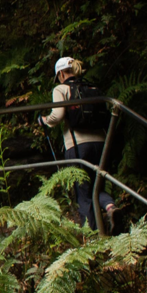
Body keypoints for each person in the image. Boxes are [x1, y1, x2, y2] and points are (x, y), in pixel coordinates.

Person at [38, 57, 116, 231]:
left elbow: (57, 116)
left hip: (78, 146)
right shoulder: (93, 88)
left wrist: (44, 120)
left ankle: (92, 236)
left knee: (83, 193)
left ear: (61, 73)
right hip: (102, 144)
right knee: (98, 186)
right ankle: (111, 207)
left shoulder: (61, 89)